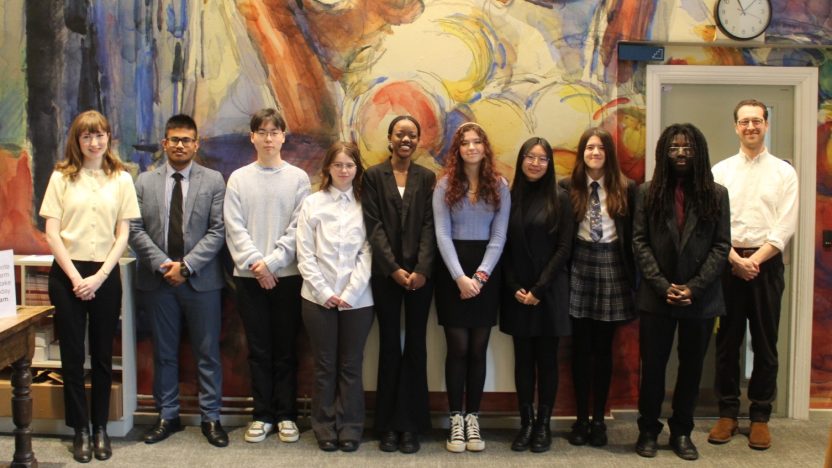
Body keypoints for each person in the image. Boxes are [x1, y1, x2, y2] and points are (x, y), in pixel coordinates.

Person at [40, 110, 140, 463]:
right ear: (77, 140)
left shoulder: (121, 178)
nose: (94, 142)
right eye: (86, 136)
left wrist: (98, 277)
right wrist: (75, 278)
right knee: (71, 357)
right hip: (67, 274)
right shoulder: (61, 177)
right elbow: (52, 232)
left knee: (101, 355)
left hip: (105, 274)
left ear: (108, 138)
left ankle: (100, 428)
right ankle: (79, 429)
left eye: (99, 135)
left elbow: (123, 233)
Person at [632, 123, 731, 460]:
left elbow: (721, 246)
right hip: (655, 297)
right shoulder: (647, 192)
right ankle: (648, 429)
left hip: (700, 300)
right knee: (654, 369)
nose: (680, 153)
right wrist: (663, 285)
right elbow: (639, 242)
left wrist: (693, 287)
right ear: (664, 152)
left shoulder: (717, 194)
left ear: (698, 152)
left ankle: (682, 431)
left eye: (687, 147)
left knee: (691, 370)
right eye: (674, 147)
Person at [129, 114, 228, 447]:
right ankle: (166, 415)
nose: (181, 145)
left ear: (196, 144)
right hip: (158, 283)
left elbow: (218, 231)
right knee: (164, 353)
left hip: (201, 282)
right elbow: (135, 230)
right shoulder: (144, 182)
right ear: (165, 143)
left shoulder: (214, 181)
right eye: (175, 139)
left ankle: (211, 418)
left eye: (187, 140)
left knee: (207, 353)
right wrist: (162, 265)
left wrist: (185, 267)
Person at [709, 99, 798, 450]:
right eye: (744, 121)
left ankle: (760, 416)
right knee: (727, 342)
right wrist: (734, 259)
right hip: (727, 263)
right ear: (735, 126)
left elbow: (785, 225)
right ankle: (728, 413)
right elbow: (712, 224)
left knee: (765, 343)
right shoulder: (720, 172)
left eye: (757, 121)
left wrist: (755, 261)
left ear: (766, 125)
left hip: (767, 263)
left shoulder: (783, 172)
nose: (751, 127)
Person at [224, 108, 311, 444]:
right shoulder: (239, 178)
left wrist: (272, 264)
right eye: (263, 131)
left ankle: (287, 414)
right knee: (258, 349)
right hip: (248, 278)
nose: (269, 138)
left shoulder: (299, 178)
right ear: (253, 137)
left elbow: (297, 228)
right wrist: (257, 266)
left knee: (287, 348)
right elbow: (234, 228)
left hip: (287, 276)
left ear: (283, 137)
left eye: (275, 132)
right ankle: (262, 414)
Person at [432, 122, 510, 453]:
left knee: (479, 349)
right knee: (458, 348)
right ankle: (455, 420)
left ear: (485, 147)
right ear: (457, 149)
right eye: (465, 143)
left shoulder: (500, 185)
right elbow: (442, 234)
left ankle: (473, 417)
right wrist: (460, 278)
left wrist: (479, 277)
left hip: (486, 274)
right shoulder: (444, 185)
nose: (472, 147)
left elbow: (499, 235)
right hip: (452, 273)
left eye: (477, 141)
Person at [362, 116, 435, 454]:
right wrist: (393, 269)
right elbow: (373, 226)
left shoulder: (427, 178)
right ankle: (388, 425)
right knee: (390, 347)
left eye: (412, 134)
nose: (406, 139)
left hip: (421, 277)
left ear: (418, 141)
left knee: (416, 347)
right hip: (385, 276)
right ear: (390, 138)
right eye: (400, 134)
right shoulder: (374, 176)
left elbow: (429, 226)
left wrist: (421, 269)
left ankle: (412, 425)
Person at [296, 142, 374, 452]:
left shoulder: (366, 204)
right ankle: (324, 426)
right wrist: (326, 292)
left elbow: (368, 251)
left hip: (359, 300)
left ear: (357, 170)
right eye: (338, 165)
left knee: (351, 365)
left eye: (349, 165)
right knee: (325, 365)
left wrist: (350, 292)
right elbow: (304, 253)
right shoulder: (312, 204)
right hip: (317, 299)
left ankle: (351, 426)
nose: (344, 170)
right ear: (328, 168)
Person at [562, 127, 637, 447]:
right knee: (579, 348)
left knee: (604, 349)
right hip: (579, 265)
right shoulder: (567, 187)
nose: (594, 153)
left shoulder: (627, 188)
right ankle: (579, 419)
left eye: (600, 148)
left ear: (609, 153)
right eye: (589, 148)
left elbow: (634, 235)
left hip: (612, 267)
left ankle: (598, 419)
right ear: (582, 153)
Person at [500, 137, 573, 453]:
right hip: (516, 292)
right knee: (522, 362)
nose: (535, 163)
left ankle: (544, 426)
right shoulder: (508, 197)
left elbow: (564, 248)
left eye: (542, 159)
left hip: (549, 292)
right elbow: (501, 245)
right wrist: (516, 286)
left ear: (549, 164)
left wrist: (539, 289)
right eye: (530, 156)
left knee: (547, 361)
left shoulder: (561, 198)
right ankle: (526, 424)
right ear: (521, 160)